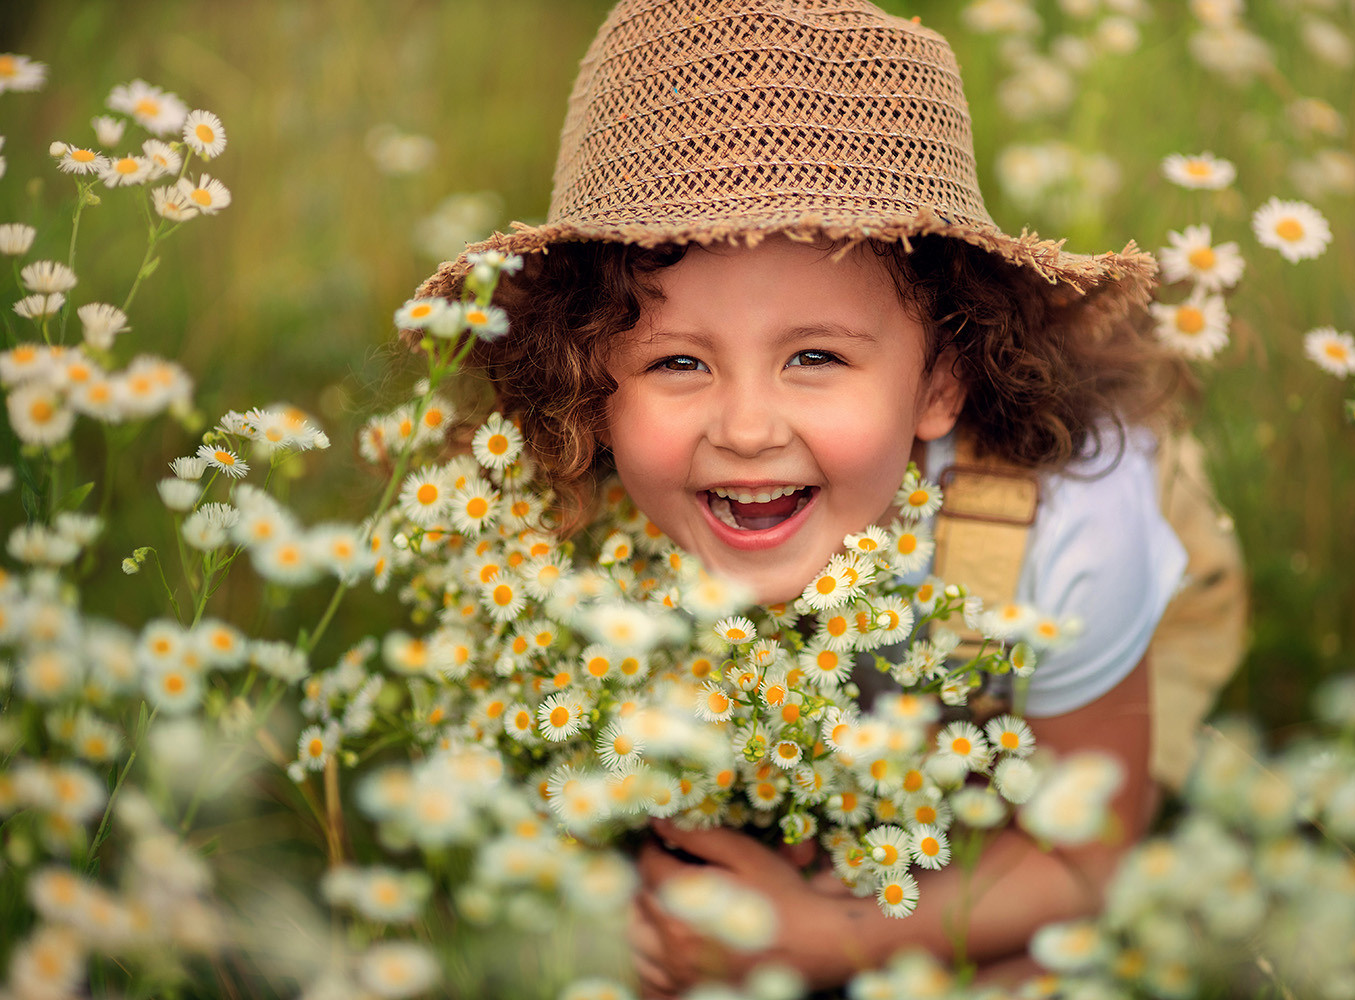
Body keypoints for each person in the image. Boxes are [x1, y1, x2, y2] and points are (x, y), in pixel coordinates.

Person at [412, 0, 1218, 994]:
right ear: (587, 381)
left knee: (1015, 967)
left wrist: (825, 940)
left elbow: (1089, 856)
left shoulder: (1069, 543)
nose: (746, 429)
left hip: (1094, 636)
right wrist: (604, 893)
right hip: (850, 675)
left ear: (937, 381)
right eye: (675, 361)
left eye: (815, 355)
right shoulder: (559, 521)